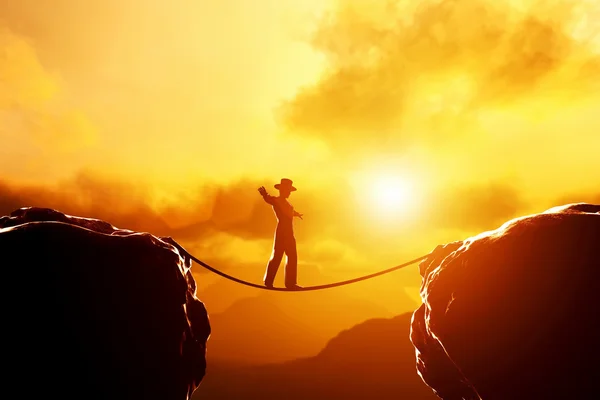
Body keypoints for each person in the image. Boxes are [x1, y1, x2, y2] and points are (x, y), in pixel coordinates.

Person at [258, 178, 303, 289]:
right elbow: (269, 199)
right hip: (282, 231)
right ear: (282, 190)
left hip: (289, 232)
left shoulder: (287, 204)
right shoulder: (276, 200)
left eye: (289, 191)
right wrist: (264, 194)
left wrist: (296, 214)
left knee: (292, 256)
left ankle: (290, 283)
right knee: (278, 255)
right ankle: (269, 281)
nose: (289, 193)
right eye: (287, 191)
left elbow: (290, 212)